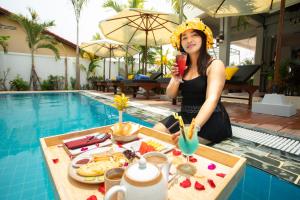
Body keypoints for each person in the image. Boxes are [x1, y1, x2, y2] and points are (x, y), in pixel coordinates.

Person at [153, 18, 232, 144]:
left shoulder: (215, 64)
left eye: (194, 35)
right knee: (155, 133)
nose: (189, 40)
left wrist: (193, 128)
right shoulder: (182, 65)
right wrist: (175, 78)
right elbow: (170, 95)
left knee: (182, 144)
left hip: (210, 118)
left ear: (203, 38)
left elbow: (212, 99)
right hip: (185, 116)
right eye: (184, 37)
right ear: (180, 43)